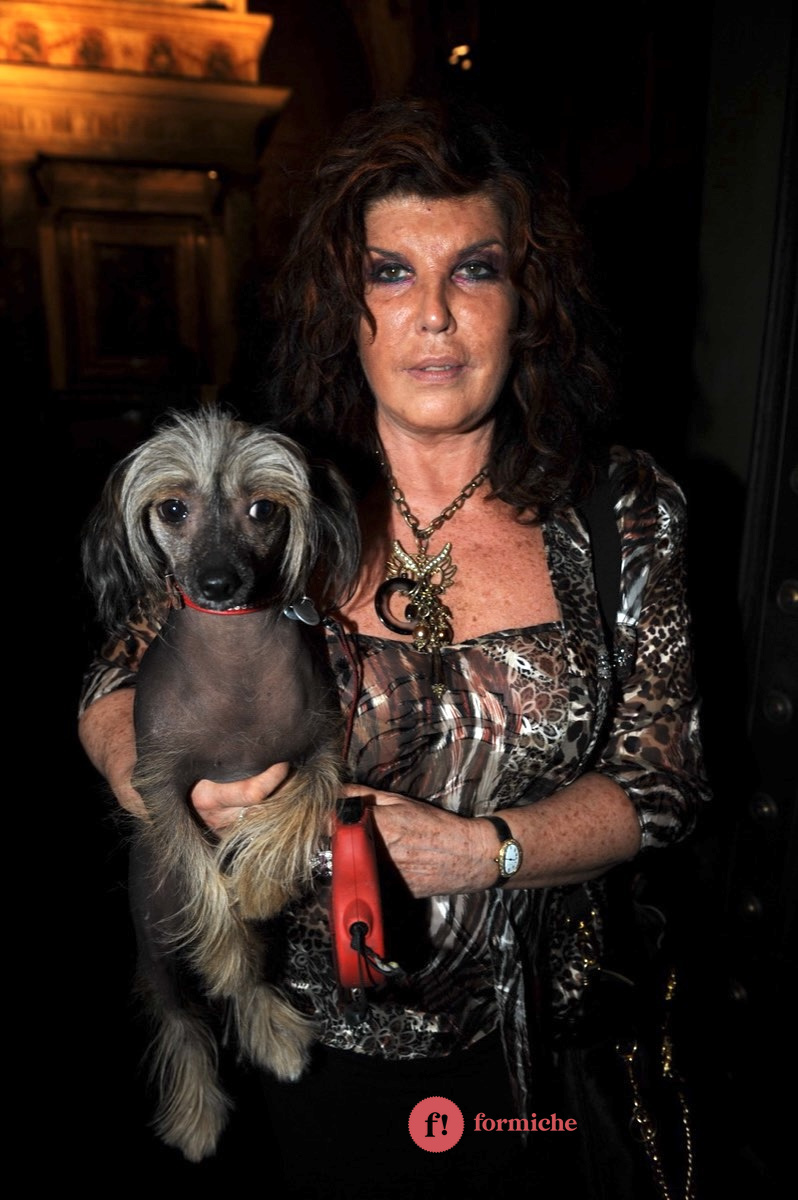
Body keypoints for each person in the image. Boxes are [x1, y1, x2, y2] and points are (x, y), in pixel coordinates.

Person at [79, 97, 709, 1197]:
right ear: (346, 303)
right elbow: (117, 677)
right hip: (312, 1050)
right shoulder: (275, 494)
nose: (434, 315)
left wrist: (486, 850)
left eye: (475, 270)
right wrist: (166, 787)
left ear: (528, 298)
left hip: (543, 1052)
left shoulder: (623, 509)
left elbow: (665, 780)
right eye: (390, 273)